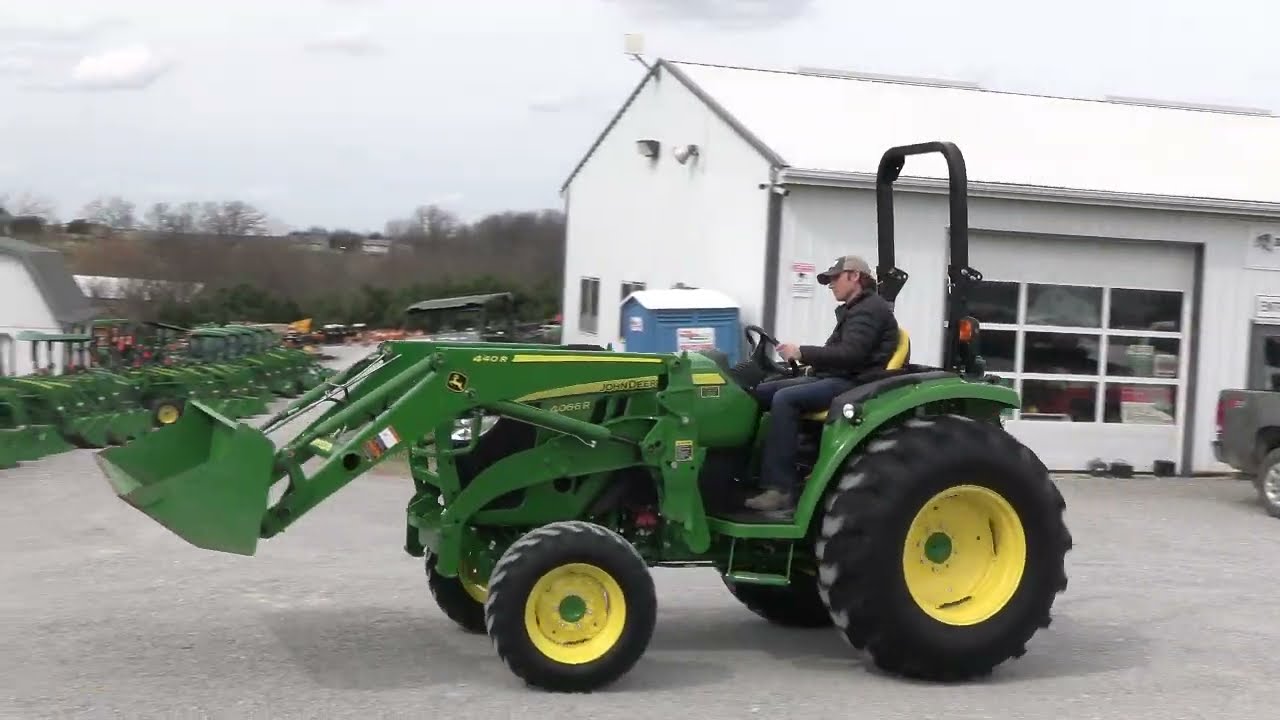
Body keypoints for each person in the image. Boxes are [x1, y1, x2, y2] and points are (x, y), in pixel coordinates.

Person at [744, 254, 900, 514]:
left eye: (835, 278)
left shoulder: (870, 310)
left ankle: (779, 488)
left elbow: (852, 355)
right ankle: (746, 471)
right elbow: (839, 352)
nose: (831, 284)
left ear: (855, 277)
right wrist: (808, 366)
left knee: (785, 399)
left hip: (856, 382)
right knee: (761, 391)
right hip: (840, 376)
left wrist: (801, 352)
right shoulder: (855, 309)